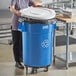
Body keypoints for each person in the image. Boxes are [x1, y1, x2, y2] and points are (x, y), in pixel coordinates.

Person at [9, 0, 42, 69]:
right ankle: (17, 62)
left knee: (22, 42)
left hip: (24, 23)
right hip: (16, 23)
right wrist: (17, 12)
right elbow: (11, 8)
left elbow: (34, 4)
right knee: (16, 43)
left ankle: (22, 59)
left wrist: (40, 6)